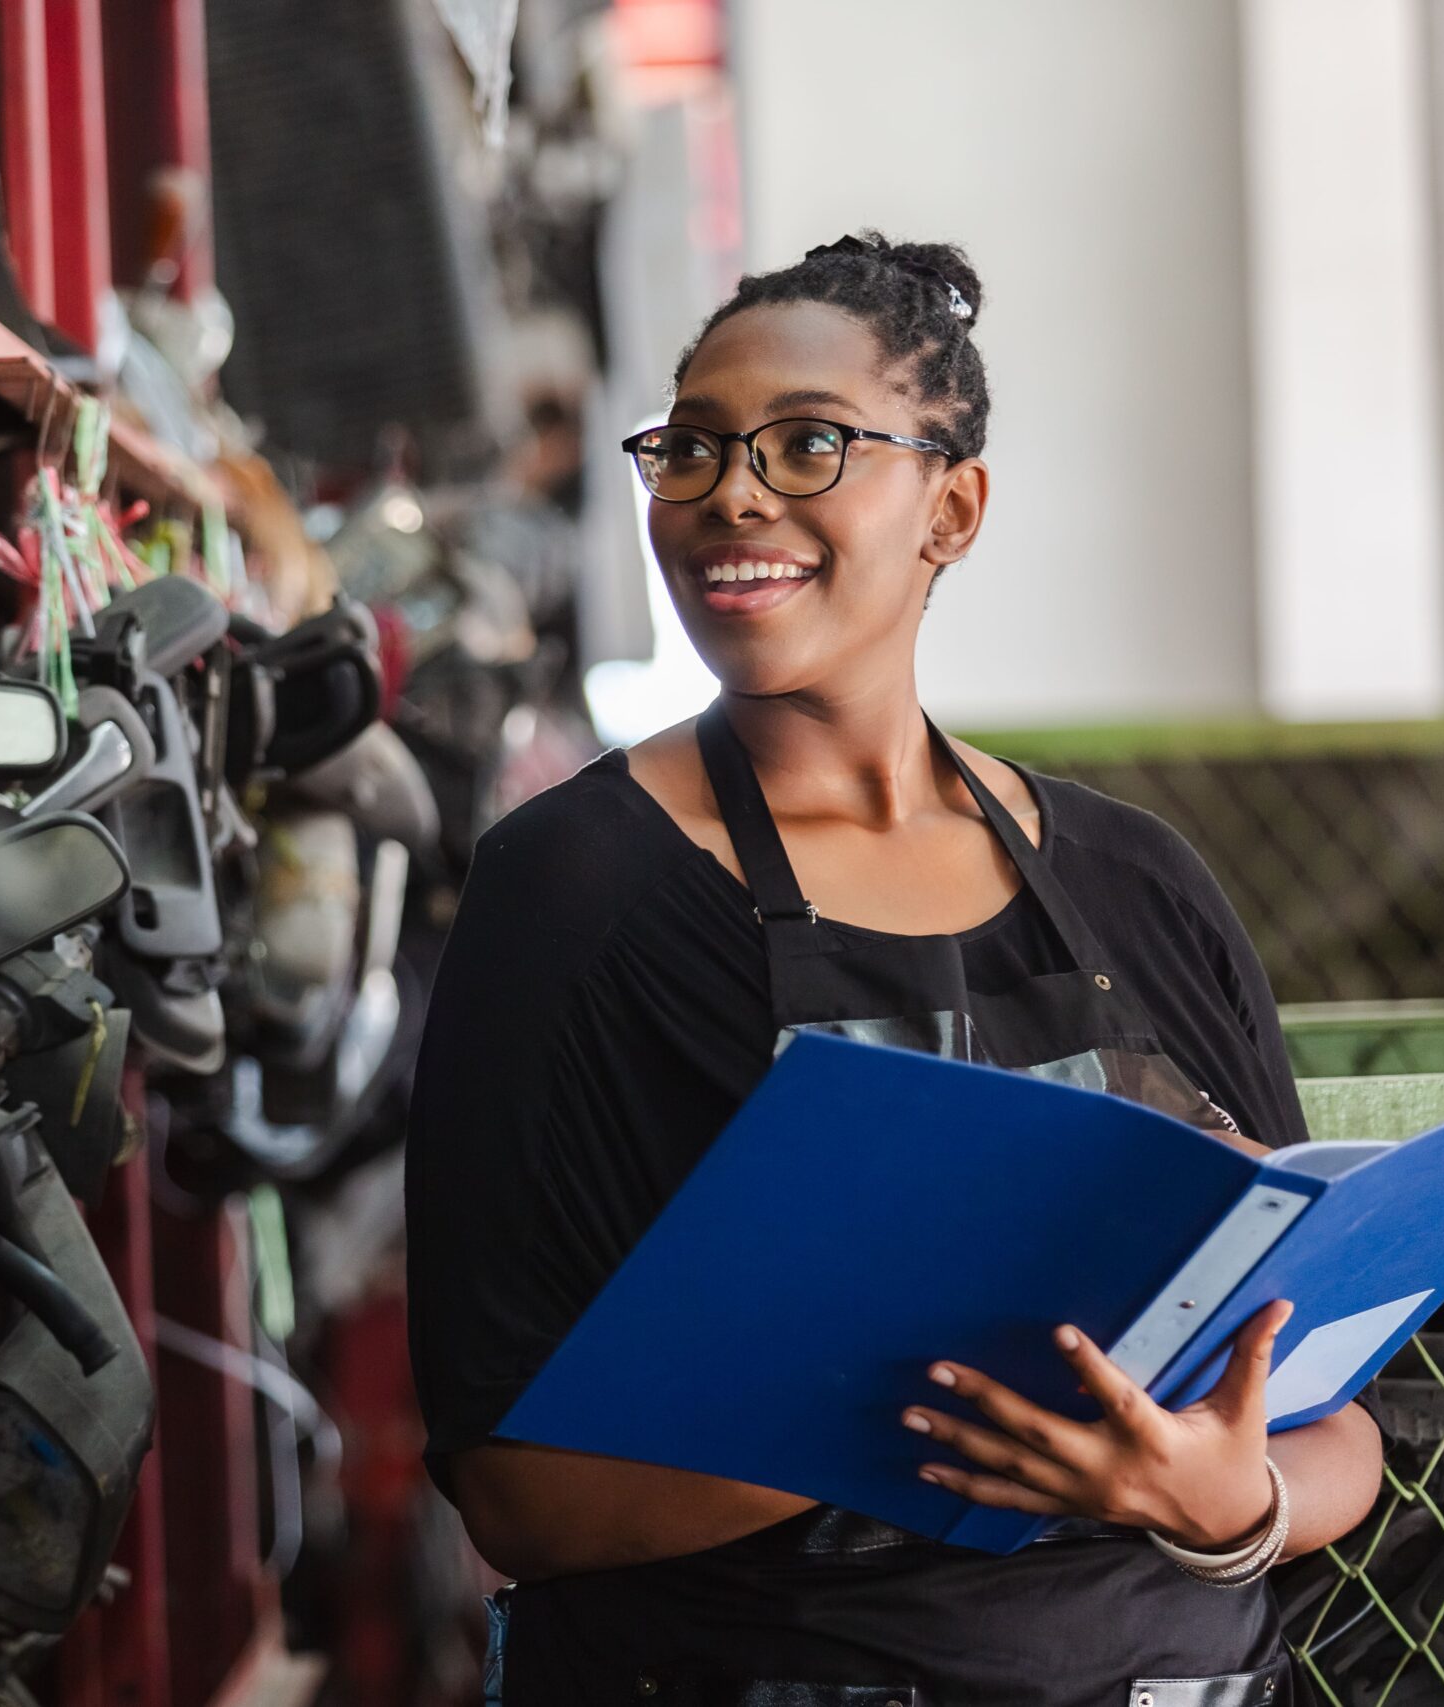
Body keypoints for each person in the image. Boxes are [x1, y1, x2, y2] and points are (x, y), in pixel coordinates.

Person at [405, 232, 1385, 1705]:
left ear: (954, 506)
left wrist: (1222, 1504)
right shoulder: (576, 891)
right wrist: (905, 1421)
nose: (732, 490)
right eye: (690, 450)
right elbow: (516, 1499)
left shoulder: (1138, 883)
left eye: (808, 446)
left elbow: (1338, 1425)